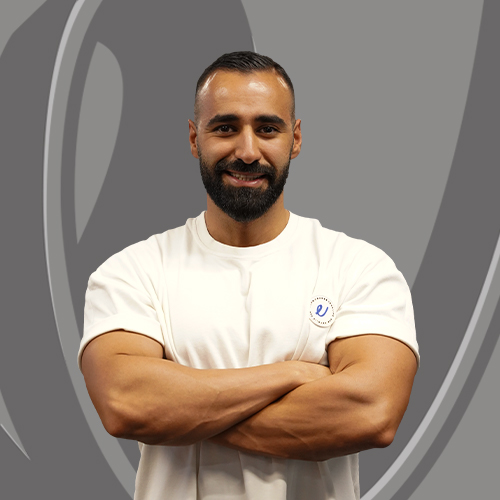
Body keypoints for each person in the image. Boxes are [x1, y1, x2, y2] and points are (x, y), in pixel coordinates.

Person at [78, 51, 419, 500]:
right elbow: (125, 404)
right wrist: (292, 375)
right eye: (225, 128)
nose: (247, 151)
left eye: (267, 129)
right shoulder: (132, 272)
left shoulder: (359, 268)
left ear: (295, 139)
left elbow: (372, 414)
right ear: (194, 138)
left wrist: (182, 411)